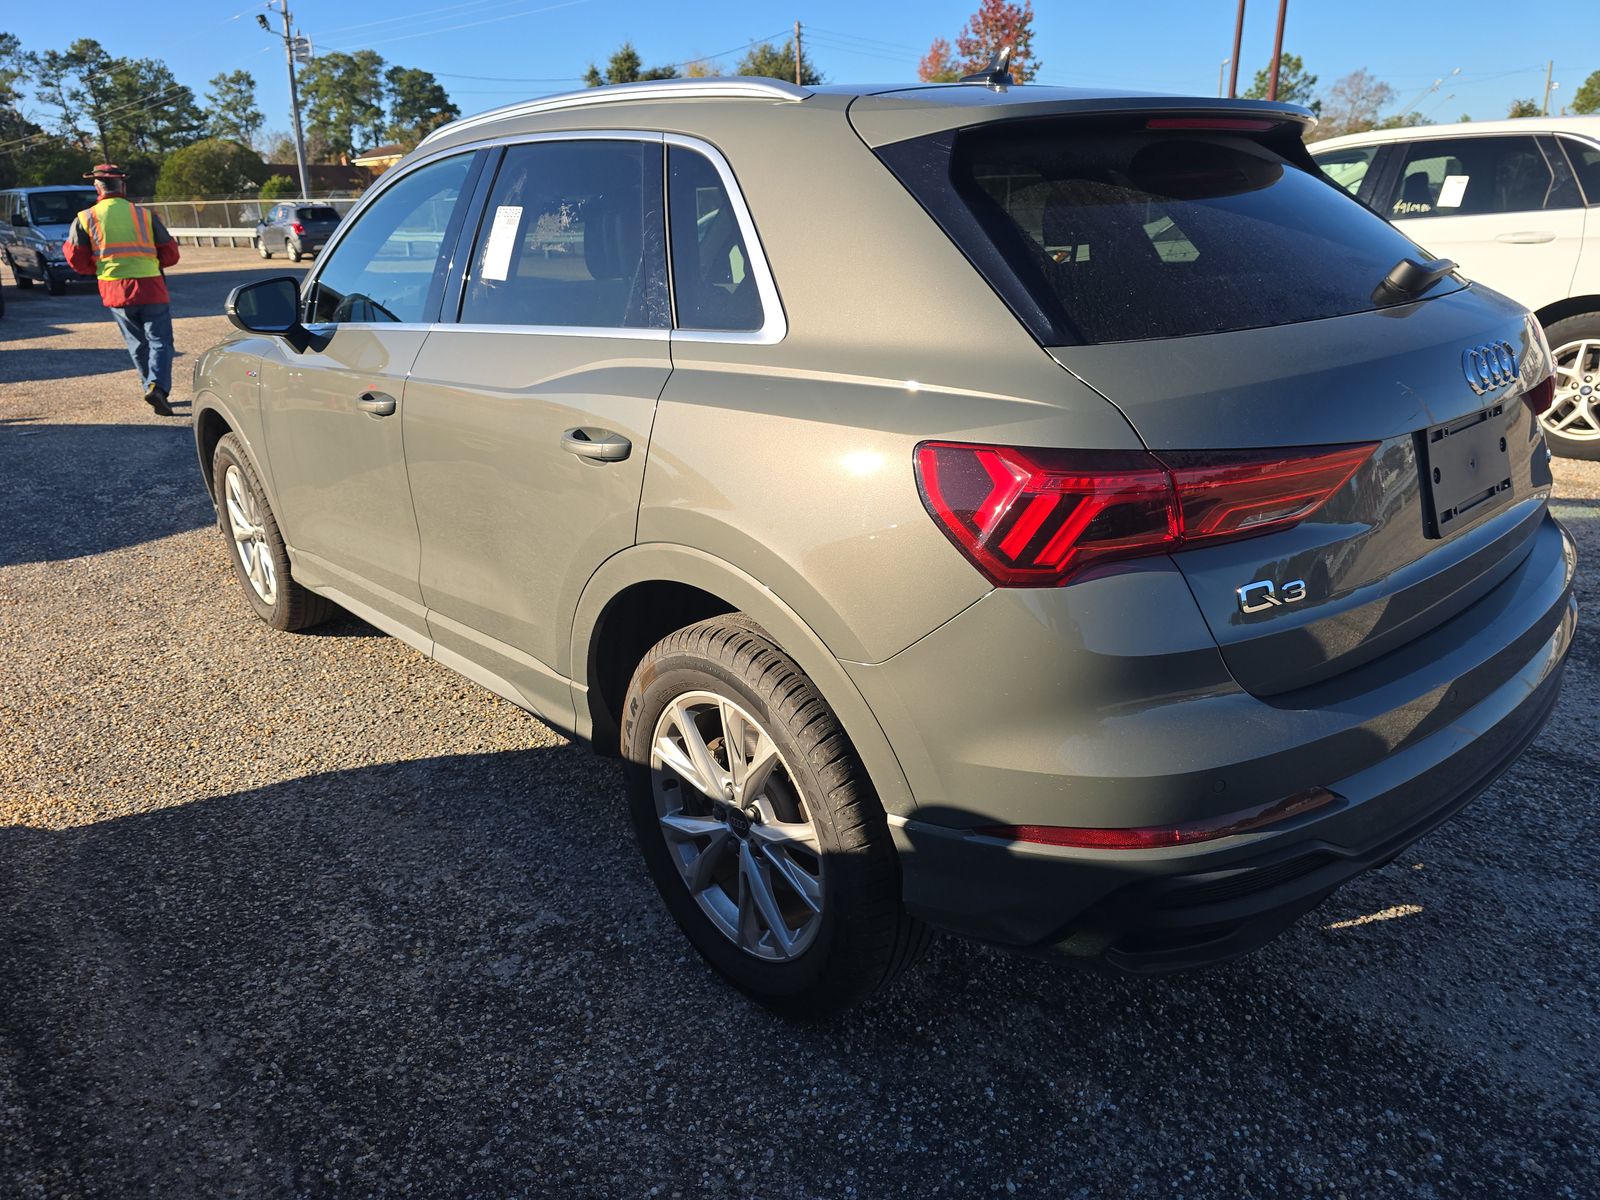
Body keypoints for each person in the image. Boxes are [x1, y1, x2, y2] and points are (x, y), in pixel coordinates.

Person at [63, 164, 181, 416]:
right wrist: (152, 261)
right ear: (123, 186)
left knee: (137, 343)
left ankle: (148, 385)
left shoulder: (85, 218)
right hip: (151, 285)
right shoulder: (144, 216)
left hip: (115, 288)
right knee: (160, 341)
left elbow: (75, 258)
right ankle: (157, 387)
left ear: (96, 187)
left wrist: (98, 268)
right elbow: (170, 253)